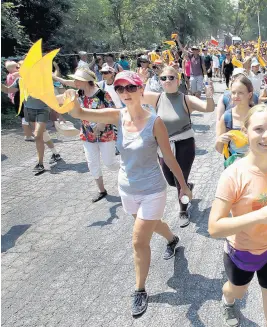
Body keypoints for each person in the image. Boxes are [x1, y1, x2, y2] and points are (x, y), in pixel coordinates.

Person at [62, 71, 191, 317]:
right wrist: (71, 101)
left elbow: (168, 156)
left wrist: (183, 185)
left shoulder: (156, 122)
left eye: (130, 88)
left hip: (153, 189)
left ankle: (140, 290)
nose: (125, 93)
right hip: (127, 189)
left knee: (138, 240)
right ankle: (172, 239)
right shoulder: (117, 116)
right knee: (150, 227)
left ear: (141, 90)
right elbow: (80, 114)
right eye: (120, 89)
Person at [208, 104, 267, 327]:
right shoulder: (233, 174)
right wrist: (258, 217)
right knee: (237, 291)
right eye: (258, 129)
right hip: (241, 252)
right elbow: (214, 227)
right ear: (245, 132)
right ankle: (227, 299)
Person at [142, 66, 215, 227]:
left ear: (178, 80)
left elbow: (208, 108)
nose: (167, 80)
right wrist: (140, 79)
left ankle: (183, 209)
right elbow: (136, 96)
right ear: (160, 81)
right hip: (164, 145)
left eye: (171, 77)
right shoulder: (157, 98)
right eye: (163, 78)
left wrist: (209, 95)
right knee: (170, 180)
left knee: (179, 177)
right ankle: (186, 186)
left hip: (185, 144)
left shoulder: (185, 99)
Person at [53, 67, 119, 202]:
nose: (75, 82)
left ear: (86, 81)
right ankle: (102, 190)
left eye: (78, 80)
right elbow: (58, 100)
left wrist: (101, 124)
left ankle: (128, 169)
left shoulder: (102, 94)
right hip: (87, 135)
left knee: (110, 163)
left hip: (106, 135)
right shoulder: (78, 95)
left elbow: (113, 112)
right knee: (92, 163)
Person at [1, 77, 63, 173]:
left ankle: (40, 164)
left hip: (42, 110)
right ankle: (56, 153)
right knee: (42, 134)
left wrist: (60, 113)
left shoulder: (42, 78)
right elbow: (7, 90)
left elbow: (52, 95)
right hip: (28, 110)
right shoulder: (20, 80)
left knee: (38, 135)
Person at [215, 76, 254, 163]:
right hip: (233, 168)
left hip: (255, 165)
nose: (236, 96)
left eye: (240, 93)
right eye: (233, 92)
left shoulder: (257, 115)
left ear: (249, 95)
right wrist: (220, 140)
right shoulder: (226, 117)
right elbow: (219, 149)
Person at [4, 60, 34, 141]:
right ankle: (28, 135)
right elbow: (10, 88)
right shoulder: (14, 75)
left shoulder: (13, 75)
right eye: (17, 67)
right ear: (11, 69)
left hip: (20, 97)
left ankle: (30, 133)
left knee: (28, 117)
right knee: (25, 117)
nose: (18, 68)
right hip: (18, 98)